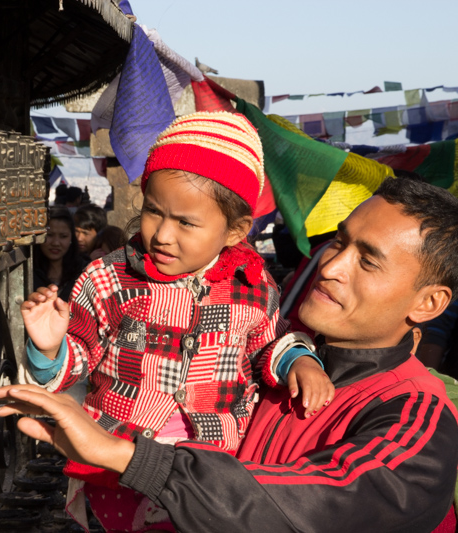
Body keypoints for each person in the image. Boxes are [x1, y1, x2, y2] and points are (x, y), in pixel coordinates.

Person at [0, 176, 458, 533]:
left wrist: (125, 456)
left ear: (429, 303)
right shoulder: (275, 354)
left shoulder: (417, 416)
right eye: (338, 241)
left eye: (368, 260)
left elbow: (316, 504)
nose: (331, 266)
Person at [18, 113, 334, 531]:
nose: (163, 235)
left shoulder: (255, 286)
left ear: (236, 231)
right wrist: (49, 349)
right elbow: (79, 355)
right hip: (118, 459)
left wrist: (299, 361)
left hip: (213, 465)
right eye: (153, 211)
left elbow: (265, 348)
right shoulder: (108, 277)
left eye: (186, 222)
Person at [32, 208, 88, 303]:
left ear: (71, 238)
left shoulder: (84, 271)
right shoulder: (28, 271)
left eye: (63, 236)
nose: (56, 243)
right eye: (49, 235)